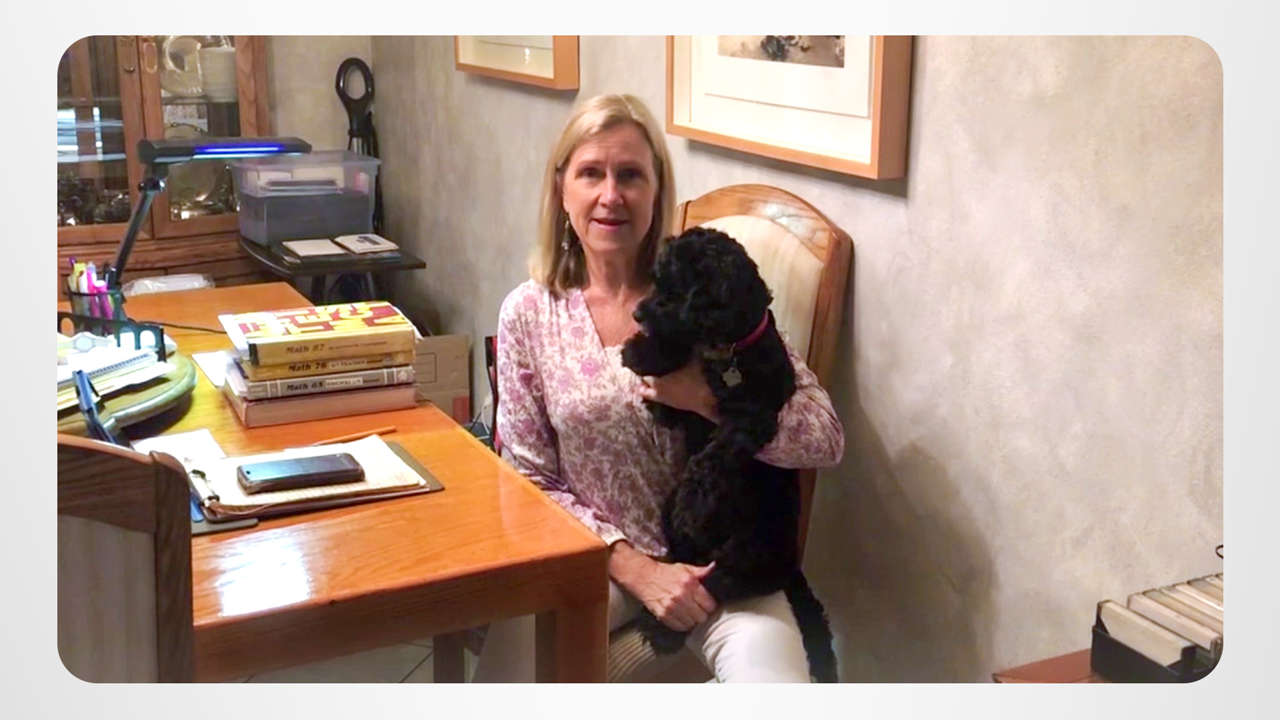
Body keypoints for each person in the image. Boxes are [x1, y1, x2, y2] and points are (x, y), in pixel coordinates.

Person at [477, 93, 844, 682]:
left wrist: (706, 399)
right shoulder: (529, 314)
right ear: (561, 188)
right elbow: (528, 481)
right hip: (598, 565)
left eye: (630, 175)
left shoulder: (702, 292)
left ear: (656, 191)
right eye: (591, 173)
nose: (611, 195)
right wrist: (637, 570)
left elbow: (824, 438)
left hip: (722, 570)